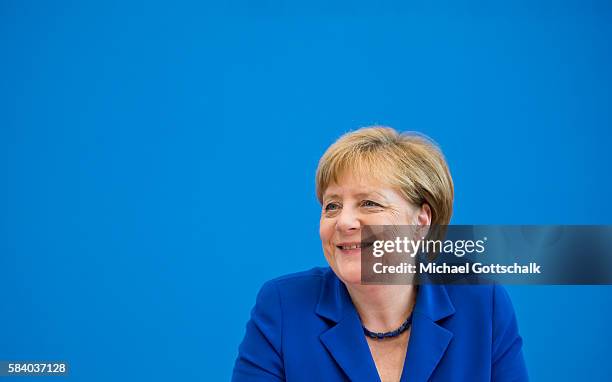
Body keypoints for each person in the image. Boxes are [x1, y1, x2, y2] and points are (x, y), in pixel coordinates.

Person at [232, 126, 528, 382]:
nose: (344, 222)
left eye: (369, 203)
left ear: (421, 221)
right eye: (332, 206)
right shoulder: (283, 306)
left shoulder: (482, 303)